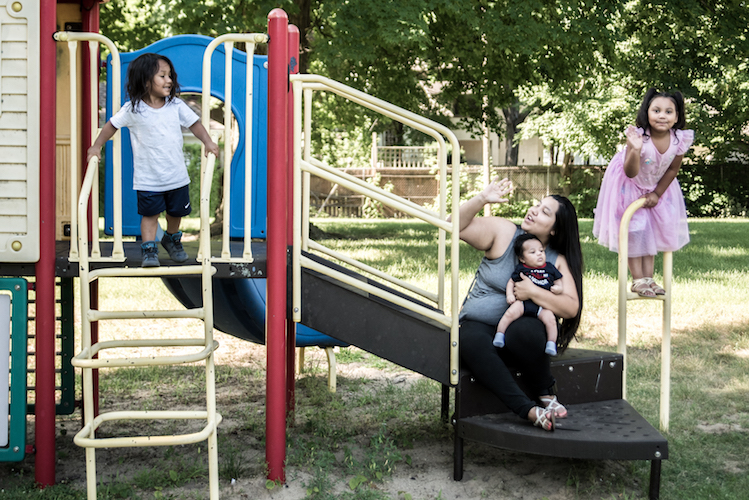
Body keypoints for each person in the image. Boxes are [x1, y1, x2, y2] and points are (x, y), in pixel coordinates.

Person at [452, 178, 583, 432]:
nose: (534, 210)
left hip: (518, 339)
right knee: (468, 339)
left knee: (529, 329)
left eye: (545, 211)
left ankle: (545, 391)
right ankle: (529, 410)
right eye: (536, 205)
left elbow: (570, 308)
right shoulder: (504, 232)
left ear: (555, 230)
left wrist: (533, 291)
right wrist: (482, 198)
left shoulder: (556, 259)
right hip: (478, 327)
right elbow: (452, 226)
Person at [87, 53, 219, 267]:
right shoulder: (133, 109)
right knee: (150, 216)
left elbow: (195, 124)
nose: (169, 80)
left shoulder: (175, 105)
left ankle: (172, 238)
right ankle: (149, 250)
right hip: (148, 178)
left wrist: (208, 142)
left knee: (176, 213)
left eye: (170, 76)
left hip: (176, 176)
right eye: (162, 76)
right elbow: (111, 125)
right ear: (145, 81)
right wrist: (96, 146)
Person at [593, 88, 694, 297]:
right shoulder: (639, 137)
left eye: (668, 111)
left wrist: (657, 193)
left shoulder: (679, 140)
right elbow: (630, 172)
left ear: (676, 117)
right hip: (629, 185)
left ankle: (649, 278)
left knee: (652, 230)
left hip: (657, 186)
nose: (662, 115)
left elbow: (673, 169)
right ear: (646, 113)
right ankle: (637, 279)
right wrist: (635, 149)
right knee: (634, 230)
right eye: (656, 110)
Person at [493, 233, 563, 357]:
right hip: (523, 303)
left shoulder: (550, 268)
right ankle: (500, 334)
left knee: (551, 320)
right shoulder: (521, 268)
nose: (539, 254)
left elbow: (558, 280)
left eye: (541, 250)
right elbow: (511, 281)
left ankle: (551, 343)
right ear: (522, 258)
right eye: (533, 252)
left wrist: (558, 288)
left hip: (542, 305)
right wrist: (510, 294)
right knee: (509, 314)